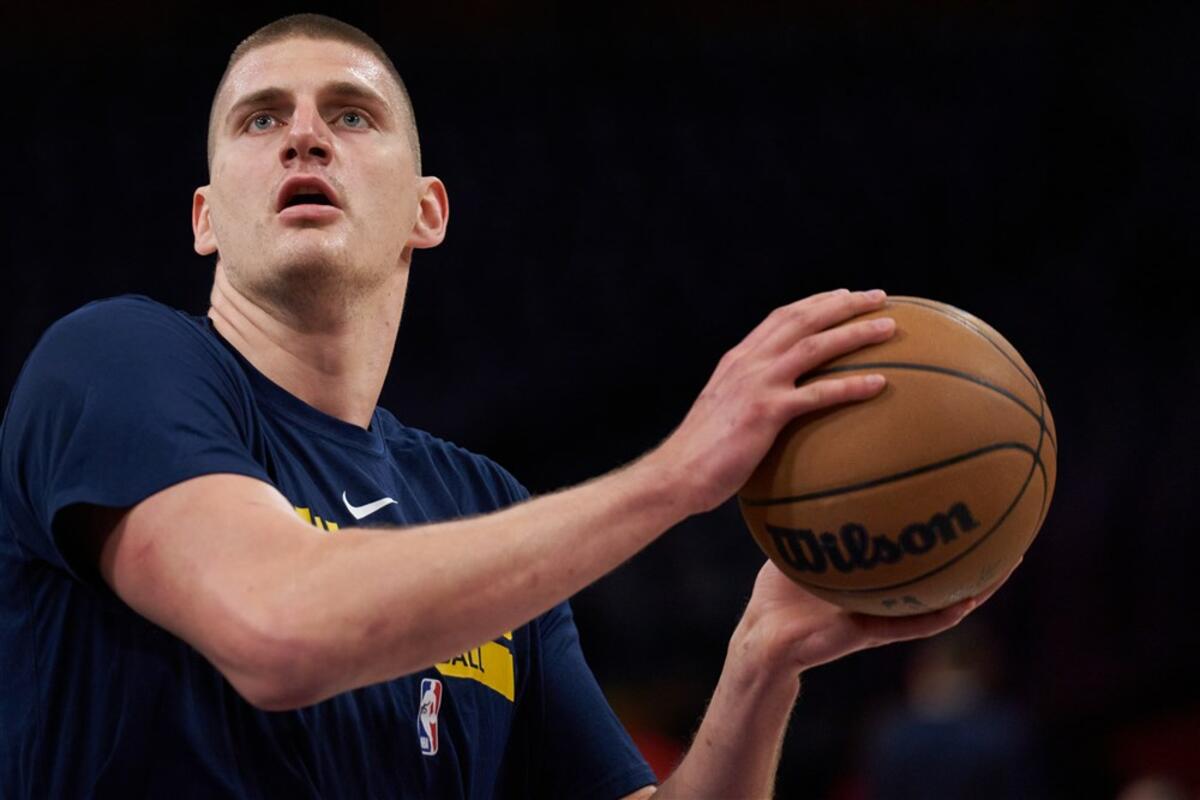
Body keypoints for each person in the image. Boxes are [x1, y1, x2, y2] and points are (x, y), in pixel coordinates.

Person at [0, 13, 1002, 799]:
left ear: (427, 210)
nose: (304, 135)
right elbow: (279, 629)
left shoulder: (479, 501)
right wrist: (675, 475)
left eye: (352, 115)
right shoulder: (109, 363)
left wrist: (762, 662)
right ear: (206, 218)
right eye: (260, 119)